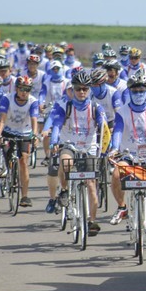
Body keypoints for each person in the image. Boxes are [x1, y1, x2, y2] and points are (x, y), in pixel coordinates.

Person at [108, 71, 146, 244]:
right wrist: (114, 148)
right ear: (129, 92)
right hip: (128, 154)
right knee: (116, 174)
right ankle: (122, 207)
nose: (138, 93)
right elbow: (118, 130)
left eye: (142, 89)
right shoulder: (122, 111)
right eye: (134, 90)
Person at [46, 71, 107, 236]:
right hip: (69, 144)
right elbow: (57, 124)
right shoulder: (64, 106)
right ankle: (64, 190)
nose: (81, 92)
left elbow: (103, 126)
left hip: (89, 147)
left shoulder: (96, 107)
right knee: (65, 162)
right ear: (72, 90)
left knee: (91, 184)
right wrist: (53, 142)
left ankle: (92, 221)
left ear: (89, 90)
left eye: (85, 89)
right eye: (78, 89)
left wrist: (105, 144)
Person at [0, 76, 40, 207]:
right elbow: (2, 120)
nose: (24, 92)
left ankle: (24, 196)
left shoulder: (33, 101)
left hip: (24, 133)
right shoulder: (7, 99)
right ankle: (8, 174)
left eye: (27, 89)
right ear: (16, 89)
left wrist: (35, 136)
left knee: (24, 161)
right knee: (8, 157)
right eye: (21, 89)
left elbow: (34, 120)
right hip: (8, 131)